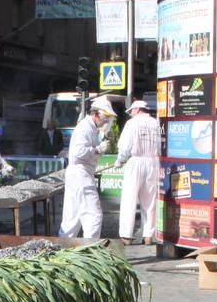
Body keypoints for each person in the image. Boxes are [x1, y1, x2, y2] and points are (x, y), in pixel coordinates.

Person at [59, 97, 114, 239]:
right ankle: (90, 249)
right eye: (106, 117)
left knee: (72, 217)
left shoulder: (91, 128)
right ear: (96, 114)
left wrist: (99, 145)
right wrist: (97, 150)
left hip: (79, 174)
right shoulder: (85, 127)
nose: (107, 121)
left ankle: (63, 248)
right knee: (93, 216)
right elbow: (78, 153)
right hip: (80, 174)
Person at [115, 100, 160, 244]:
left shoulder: (132, 124)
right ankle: (148, 235)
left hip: (136, 161)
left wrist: (120, 160)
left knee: (129, 198)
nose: (131, 114)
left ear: (138, 109)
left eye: (132, 111)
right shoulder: (156, 123)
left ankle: (126, 236)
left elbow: (124, 146)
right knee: (150, 200)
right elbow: (160, 145)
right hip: (153, 161)